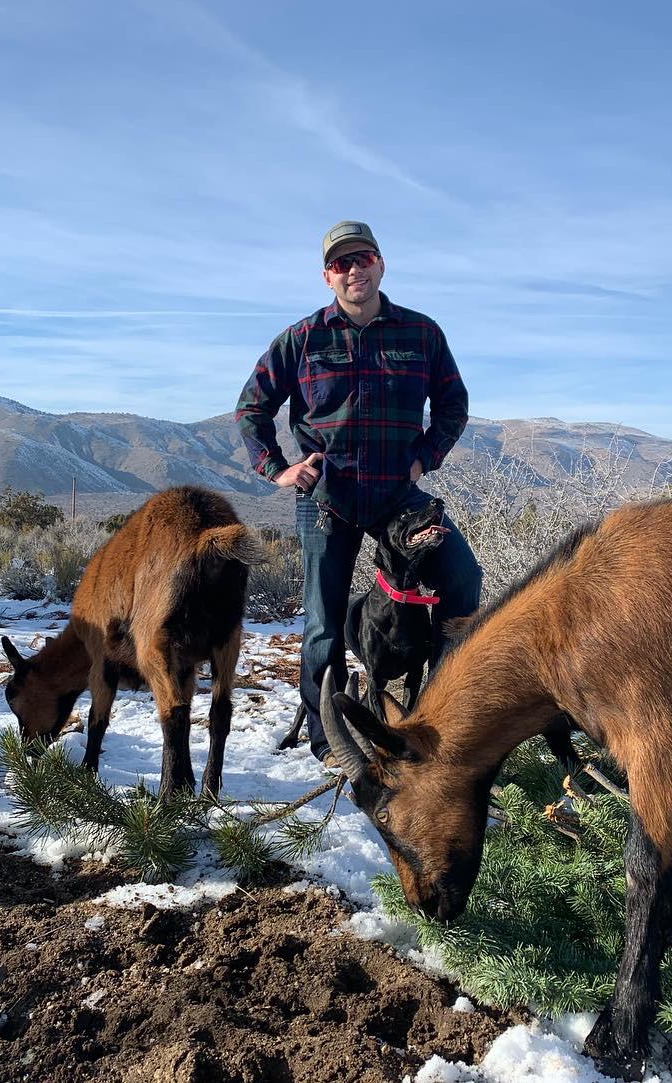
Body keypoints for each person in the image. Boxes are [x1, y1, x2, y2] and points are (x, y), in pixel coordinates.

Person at [235, 220, 482, 765]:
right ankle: (331, 742)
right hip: (328, 497)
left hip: (399, 494)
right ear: (327, 276)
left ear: (381, 264)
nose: (353, 270)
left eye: (362, 258)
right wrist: (277, 469)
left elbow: (453, 405)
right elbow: (252, 407)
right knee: (323, 623)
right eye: (340, 263)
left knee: (463, 579)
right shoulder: (302, 339)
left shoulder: (421, 334)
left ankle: (441, 716)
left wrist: (424, 458)